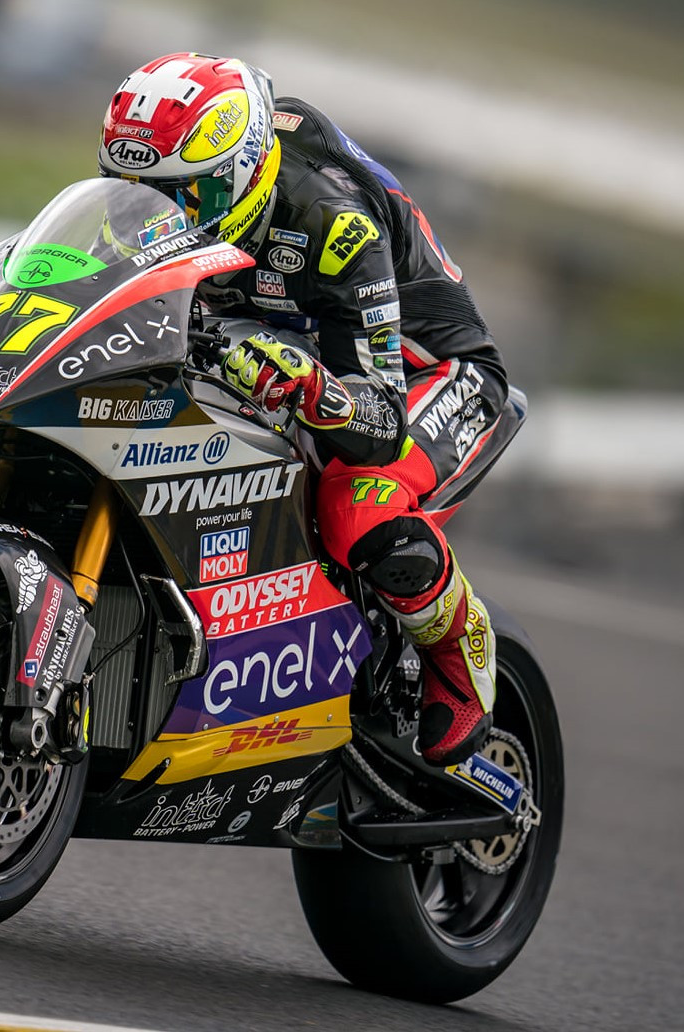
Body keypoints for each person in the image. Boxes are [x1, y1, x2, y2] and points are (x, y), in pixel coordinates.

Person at [96, 52, 509, 765]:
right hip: (279, 342)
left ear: (244, 170)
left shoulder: (332, 220)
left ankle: (457, 649)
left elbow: (380, 427)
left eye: (187, 196)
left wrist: (314, 389)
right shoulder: (159, 206)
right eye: (137, 190)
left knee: (359, 502)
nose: (164, 216)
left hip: (424, 373)